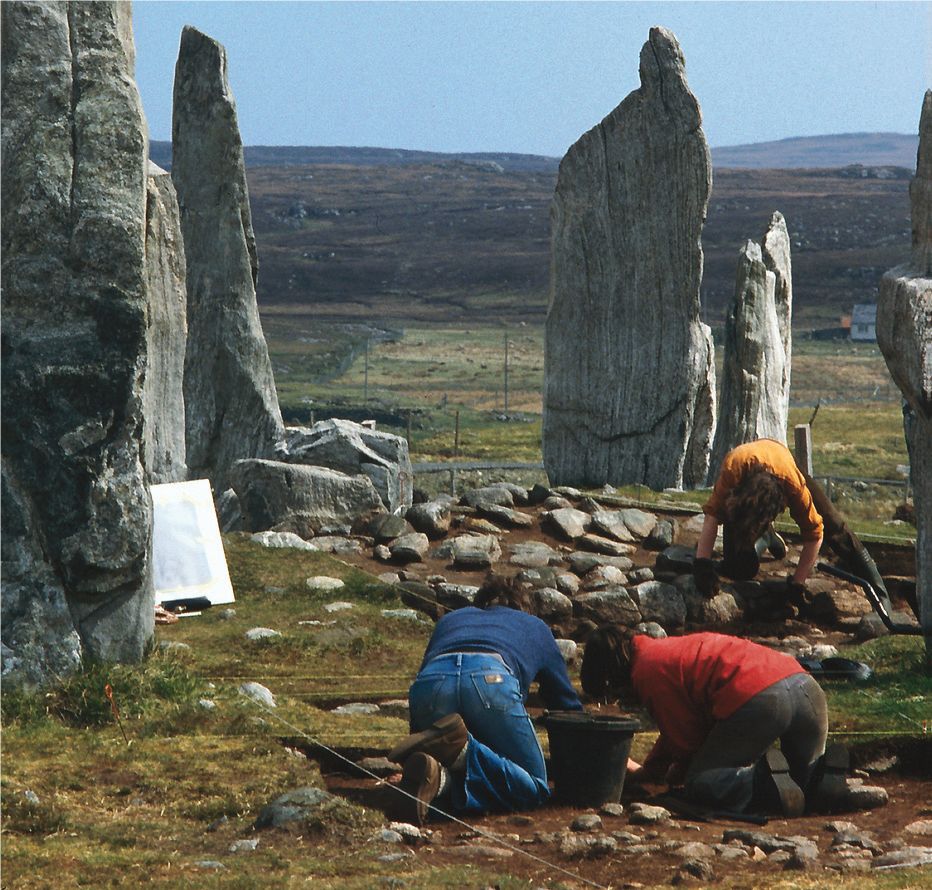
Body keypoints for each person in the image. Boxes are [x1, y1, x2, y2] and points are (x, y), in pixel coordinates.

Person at [580, 626, 849, 817]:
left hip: (762, 699)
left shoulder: (646, 672)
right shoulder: (667, 653)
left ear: (610, 673)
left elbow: (688, 742)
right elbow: (678, 727)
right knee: (802, 782)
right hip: (805, 686)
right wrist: (653, 769)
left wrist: (680, 770)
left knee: (702, 781)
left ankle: (761, 783)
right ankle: (819, 778)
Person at [387, 575, 583, 824]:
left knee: (454, 764)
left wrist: (416, 753)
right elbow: (565, 703)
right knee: (534, 787)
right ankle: (462, 750)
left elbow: (423, 689)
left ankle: (439, 779)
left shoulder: (450, 619)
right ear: (523, 607)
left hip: (432, 682)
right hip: (490, 680)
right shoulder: (533, 625)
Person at [695, 439, 824, 602]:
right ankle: (766, 537)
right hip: (746, 466)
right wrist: (702, 565)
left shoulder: (795, 486)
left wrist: (797, 584)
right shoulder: (734, 468)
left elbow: (815, 534)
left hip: (781, 459)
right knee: (736, 569)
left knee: (744, 569)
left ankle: (766, 534)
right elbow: (712, 515)